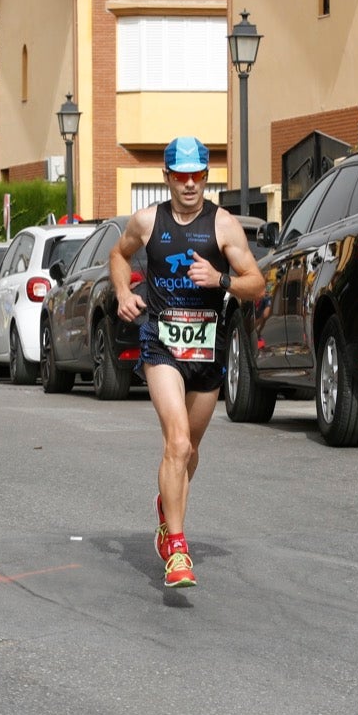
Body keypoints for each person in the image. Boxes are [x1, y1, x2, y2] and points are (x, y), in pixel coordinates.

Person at [110, 136, 264, 589]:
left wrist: (221, 280)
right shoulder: (147, 221)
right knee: (176, 442)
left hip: (206, 350)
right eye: (182, 176)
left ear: (206, 177)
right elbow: (118, 254)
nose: (191, 184)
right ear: (168, 177)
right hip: (162, 345)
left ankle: (166, 508)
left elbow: (257, 283)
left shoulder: (224, 225)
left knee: (190, 450)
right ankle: (177, 548)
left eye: (198, 175)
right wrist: (122, 292)